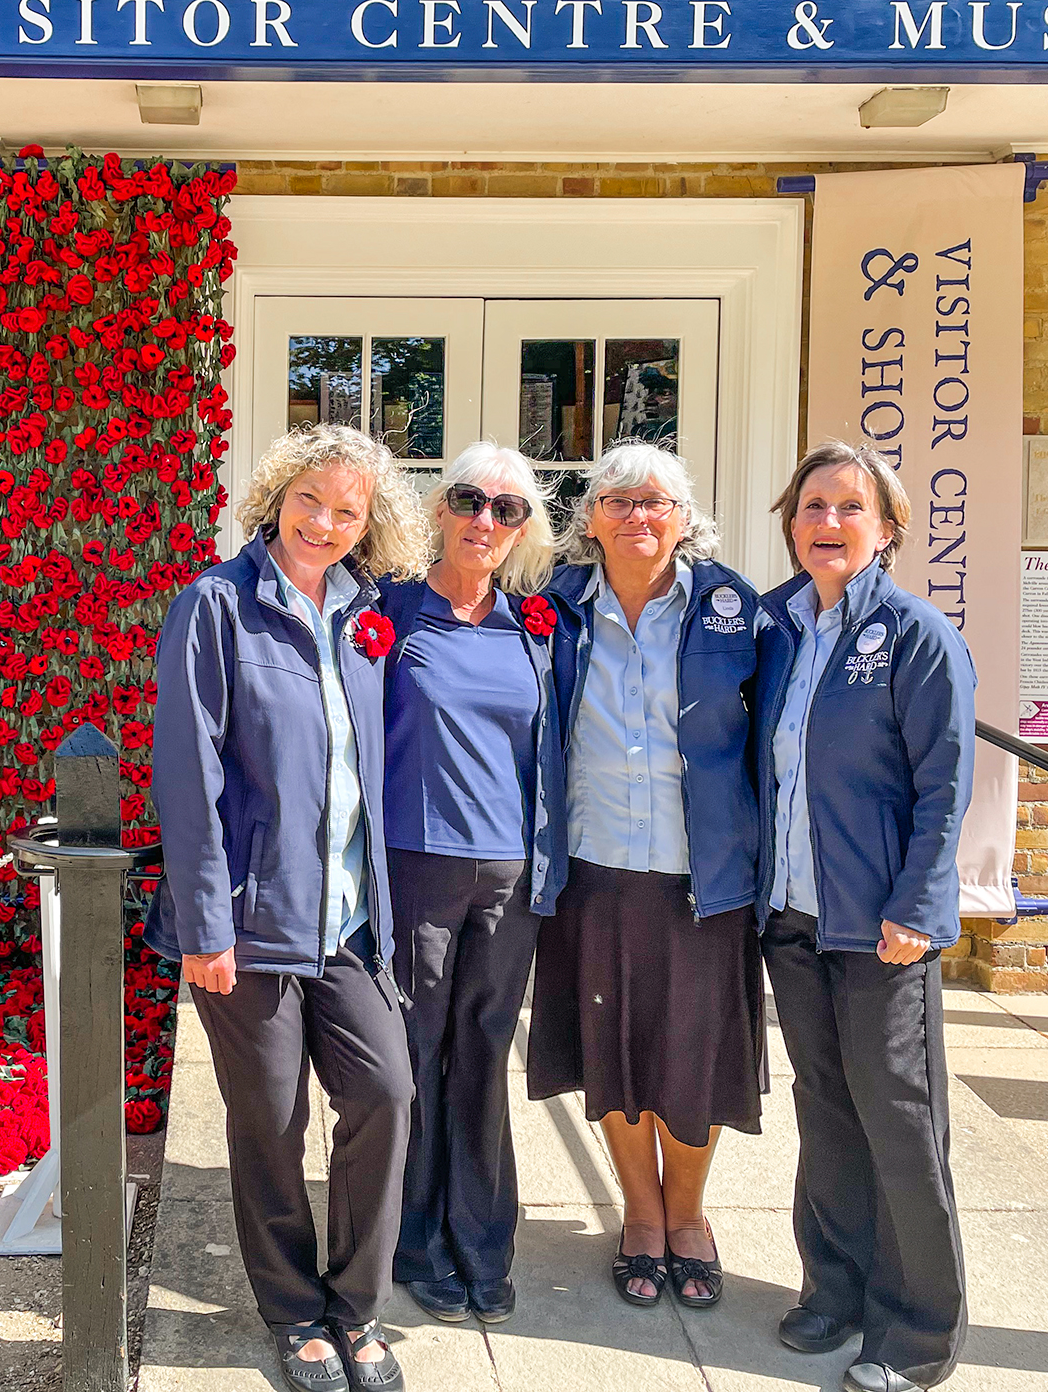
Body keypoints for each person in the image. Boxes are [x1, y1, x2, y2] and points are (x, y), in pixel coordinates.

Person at [148, 423, 431, 1392]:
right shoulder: (215, 607)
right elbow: (185, 778)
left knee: (384, 1095)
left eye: (346, 511)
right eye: (308, 500)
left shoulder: (362, 616)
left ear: (366, 527)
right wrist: (203, 925)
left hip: (348, 924)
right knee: (267, 1120)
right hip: (250, 922)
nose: (322, 522)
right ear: (275, 496)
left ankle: (356, 1308)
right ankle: (293, 1313)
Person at [754, 440, 975, 1392]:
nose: (828, 523)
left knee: (901, 1120)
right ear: (791, 522)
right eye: (812, 506)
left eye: (850, 508)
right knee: (826, 1111)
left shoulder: (919, 635)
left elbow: (943, 785)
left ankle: (917, 1331)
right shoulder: (774, 626)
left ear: (886, 530)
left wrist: (920, 907)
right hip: (794, 918)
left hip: (882, 928)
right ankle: (834, 1290)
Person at [525, 440, 764, 1311]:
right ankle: (640, 1212)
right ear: (588, 519)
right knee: (614, 1050)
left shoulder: (735, 608)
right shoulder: (550, 607)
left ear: (685, 518)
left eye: (656, 501)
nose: (637, 515)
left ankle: (689, 1215)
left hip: (701, 876)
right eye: (618, 500)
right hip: (590, 869)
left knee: (693, 1056)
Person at [373, 442, 558, 1327]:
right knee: (414, 1053)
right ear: (441, 508)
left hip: (509, 876)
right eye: (470, 501)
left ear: (524, 530)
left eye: (508, 510)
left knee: (484, 1056)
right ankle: (413, 1240)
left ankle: (482, 1240)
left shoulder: (537, 624)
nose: (486, 521)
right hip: (417, 865)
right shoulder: (389, 611)